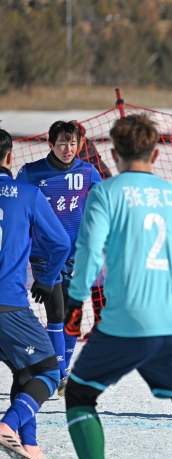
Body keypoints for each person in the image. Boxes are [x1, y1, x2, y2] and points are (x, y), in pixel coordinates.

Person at [63, 114, 172, 459]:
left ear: (113, 152)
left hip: (125, 322)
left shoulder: (105, 193)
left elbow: (89, 254)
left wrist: (75, 304)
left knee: (78, 394)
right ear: (155, 154)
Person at [0, 128, 70, 459]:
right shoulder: (26, 193)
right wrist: (46, 278)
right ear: (10, 157)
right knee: (48, 370)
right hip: (7, 304)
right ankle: (7, 425)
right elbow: (61, 243)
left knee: (23, 370)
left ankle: (29, 444)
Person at [16, 121, 103, 391]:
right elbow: (17, 209)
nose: (69, 149)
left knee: (71, 313)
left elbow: (102, 204)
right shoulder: (31, 173)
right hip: (44, 254)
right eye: (63, 143)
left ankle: (62, 366)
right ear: (51, 144)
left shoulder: (88, 172)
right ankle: (59, 373)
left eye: (73, 143)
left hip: (77, 254)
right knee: (56, 311)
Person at [73, 120, 113, 334]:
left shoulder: (88, 157)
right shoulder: (76, 154)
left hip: (95, 225)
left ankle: (101, 322)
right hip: (77, 224)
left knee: (96, 276)